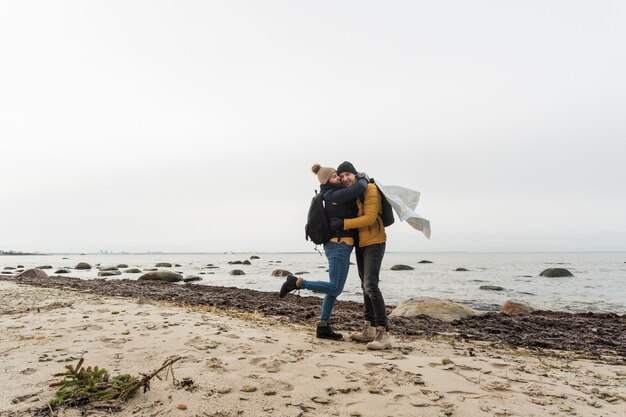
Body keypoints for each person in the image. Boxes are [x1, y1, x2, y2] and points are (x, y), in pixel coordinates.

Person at [279, 163, 368, 340]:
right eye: (335, 176)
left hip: (338, 245)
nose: (340, 179)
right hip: (339, 245)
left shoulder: (331, 194)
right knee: (335, 287)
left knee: (332, 288)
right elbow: (359, 187)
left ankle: (323, 326)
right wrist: (363, 177)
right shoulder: (333, 194)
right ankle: (297, 282)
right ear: (327, 180)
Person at [330, 161, 392, 350]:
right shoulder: (356, 193)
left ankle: (385, 334)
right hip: (361, 243)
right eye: (341, 177)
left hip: (375, 241)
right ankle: (370, 329)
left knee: (371, 285)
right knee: (365, 287)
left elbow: (370, 218)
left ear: (355, 175)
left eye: (348, 174)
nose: (345, 178)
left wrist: (343, 223)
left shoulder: (370, 189)